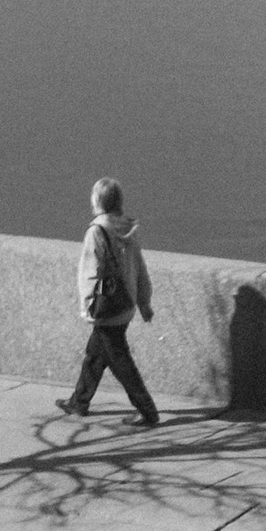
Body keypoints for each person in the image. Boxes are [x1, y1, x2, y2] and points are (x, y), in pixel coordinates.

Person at [58, 177, 160, 426]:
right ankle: (78, 402)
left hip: (106, 307)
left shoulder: (96, 232)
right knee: (96, 354)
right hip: (125, 304)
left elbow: (89, 273)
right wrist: (144, 302)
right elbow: (140, 268)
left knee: (120, 361)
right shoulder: (128, 230)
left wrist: (87, 306)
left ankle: (147, 410)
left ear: (97, 202)